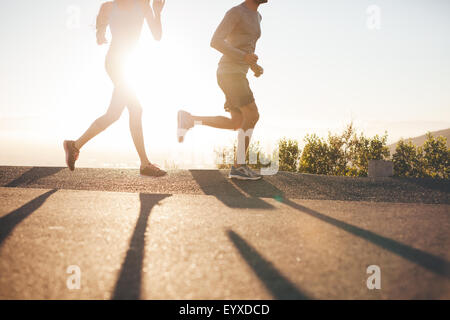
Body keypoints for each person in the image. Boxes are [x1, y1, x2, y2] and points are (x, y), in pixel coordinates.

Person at [64, 0, 167, 177]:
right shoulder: (108, 7)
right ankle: (144, 164)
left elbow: (157, 35)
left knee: (114, 114)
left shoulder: (143, 5)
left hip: (128, 62)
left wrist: (157, 12)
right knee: (135, 109)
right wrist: (100, 33)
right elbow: (100, 29)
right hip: (115, 63)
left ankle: (74, 145)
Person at [177, 0, 268, 181]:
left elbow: (244, 47)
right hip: (230, 73)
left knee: (237, 122)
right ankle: (239, 166)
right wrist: (244, 57)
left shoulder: (257, 16)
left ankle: (190, 120)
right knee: (252, 115)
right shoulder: (236, 12)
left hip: (237, 72)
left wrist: (253, 65)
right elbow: (215, 41)